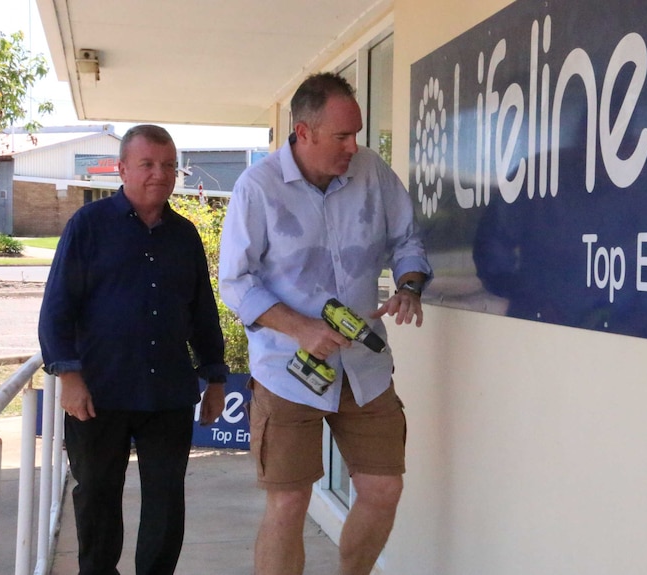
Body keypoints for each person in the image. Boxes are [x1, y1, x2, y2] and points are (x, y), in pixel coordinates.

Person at [218, 72, 432, 575]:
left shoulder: (372, 172)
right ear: (304, 131)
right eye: (342, 136)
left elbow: (407, 239)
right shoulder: (259, 188)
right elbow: (236, 282)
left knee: (383, 489)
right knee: (289, 503)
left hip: (364, 367)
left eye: (357, 134)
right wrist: (300, 328)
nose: (353, 146)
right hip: (287, 370)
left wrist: (409, 286)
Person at [38, 124, 228, 575]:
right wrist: (69, 376)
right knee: (97, 497)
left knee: (166, 502)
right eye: (147, 164)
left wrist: (216, 377)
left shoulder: (184, 236)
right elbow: (57, 308)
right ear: (122, 169)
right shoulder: (88, 226)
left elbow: (202, 312)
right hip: (98, 394)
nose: (159, 174)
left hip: (168, 396)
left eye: (167, 165)